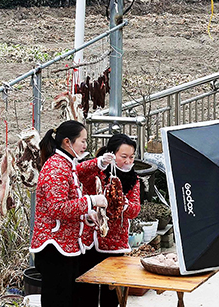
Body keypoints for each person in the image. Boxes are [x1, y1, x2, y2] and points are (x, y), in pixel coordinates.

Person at [30, 120, 117, 307]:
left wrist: (87, 215)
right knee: (58, 301)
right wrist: (92, 201)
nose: (85, 145)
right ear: (67, 142)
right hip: (54, 248)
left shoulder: (66, 163)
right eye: (82, 141)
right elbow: (57, 208)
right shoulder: (56, 167)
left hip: (66, 246)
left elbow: (69, 200)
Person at [81, 133, 142, 307]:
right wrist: (99, 162)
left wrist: (123, 205)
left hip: (116, 244)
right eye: (123, 156)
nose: (128, 161)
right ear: (112, 154)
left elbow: (135, 209)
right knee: (87, 291)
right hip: (91, 241)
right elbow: (79, 174)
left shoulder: (133, 179)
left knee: (111, 293)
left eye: (131, 157)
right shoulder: (98, 173)